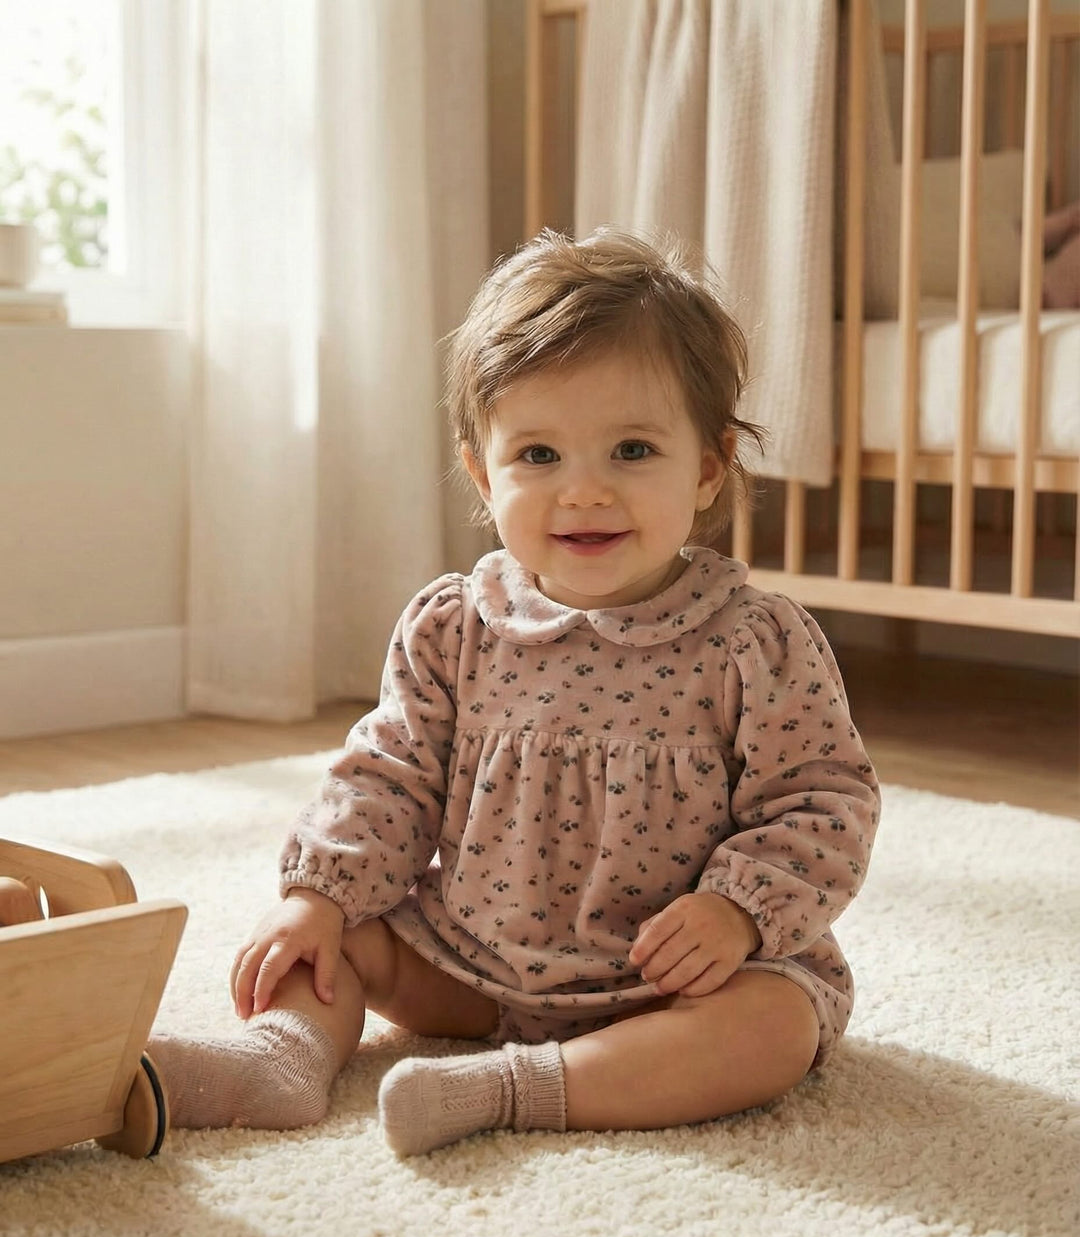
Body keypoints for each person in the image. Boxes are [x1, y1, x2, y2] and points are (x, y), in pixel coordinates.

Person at [150, 229, 880, 1157]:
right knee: (335, 937)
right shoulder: (454, 626)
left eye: (631, 449)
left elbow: (824, 803)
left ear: (708, 467)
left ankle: (512, 1089)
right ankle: (283, 1058)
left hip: (672, 981)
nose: (583, 492)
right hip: (473, 960)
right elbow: (387, 779)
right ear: (481, 473)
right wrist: (318, 895)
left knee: (775, 1025)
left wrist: (738, 910)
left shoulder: (753, 641)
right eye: (538, 455)